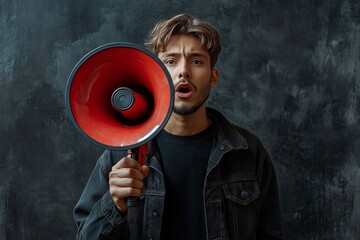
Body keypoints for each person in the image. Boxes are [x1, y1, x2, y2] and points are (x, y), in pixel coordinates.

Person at [73, 13, 284, 240]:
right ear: (156, 73)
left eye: (196, 61)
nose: (183, 71)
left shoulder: (247, 151)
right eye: (171, 61)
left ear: (213, 77)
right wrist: (114, 204)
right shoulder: (120, 155)